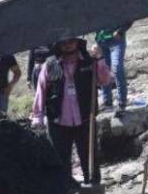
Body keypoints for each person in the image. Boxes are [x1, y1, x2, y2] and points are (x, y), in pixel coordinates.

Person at [31, 37, 113, 183]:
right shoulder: (49, 65)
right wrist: (38, 117)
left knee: (90, 157)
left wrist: (100, 58)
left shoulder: (89, 61)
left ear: (78, 42)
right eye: (64, 42)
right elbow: (41, 91)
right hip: (58, 121)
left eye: (71, 41)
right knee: (60, 160)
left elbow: (105, 80)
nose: (68, 45)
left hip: (86, 118)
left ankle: (93, 188)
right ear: (58, 45)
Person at [94, 26, 127, 110]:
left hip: (116, 40)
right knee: (103, 70)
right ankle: (107, 102)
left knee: (117, 68)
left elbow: (131, 16)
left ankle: (122, 102)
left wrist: (121, 31)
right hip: (101, 41)